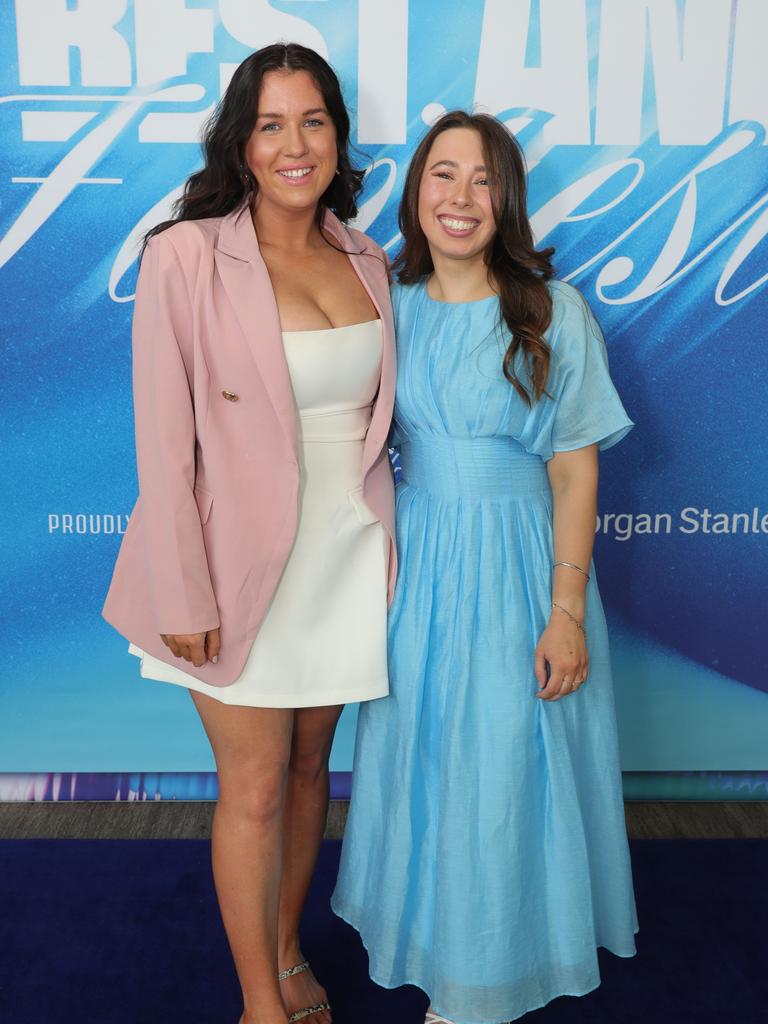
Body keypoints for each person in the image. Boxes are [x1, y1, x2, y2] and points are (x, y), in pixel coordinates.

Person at [103, 43, 396, 1024]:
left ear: (339, 136)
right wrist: (183, 593)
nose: (294, 143)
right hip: (232, 571)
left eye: (313, 119)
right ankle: (260, 1003)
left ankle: (285, 942)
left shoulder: (368, 258)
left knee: (315, 772)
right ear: (241, 140)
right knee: (258, 789)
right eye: (270, 124)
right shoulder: (184, 256)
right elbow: (163, 443)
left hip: (346, 564)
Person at [332, 110, 637, 1024]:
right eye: (442, 176)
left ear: (508, 200)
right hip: (417, 561)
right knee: (427, 757)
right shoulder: (389, 304)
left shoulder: (551, 310)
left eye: (482, 180)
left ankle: (489, 978)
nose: (461, 199)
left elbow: (575, 461)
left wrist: (567, 610)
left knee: (507, 764)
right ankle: (433, 942)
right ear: (416, 190)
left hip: (515, 565)